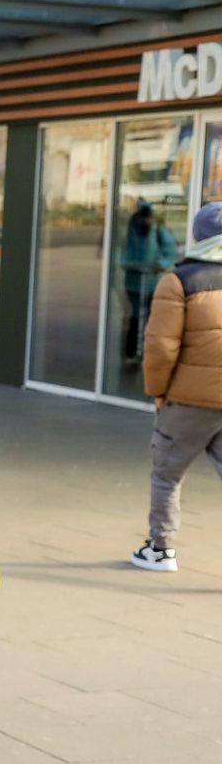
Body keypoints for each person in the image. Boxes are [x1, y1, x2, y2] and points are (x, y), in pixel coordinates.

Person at [133, 201, 222, 572]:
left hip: (188, 402)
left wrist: (157, 390)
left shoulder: (179, 280)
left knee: (167, 475)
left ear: (197, 235)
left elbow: (160, 346)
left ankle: (160, 549)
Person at [121, 201, 178, 367]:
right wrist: (126, 263)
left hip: (152, 282)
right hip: (133, 282)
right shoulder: (129, 230)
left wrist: (159, 265)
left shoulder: (159, 231)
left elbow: (169, 252)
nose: (146, 221)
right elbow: (119, 249)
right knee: (135, 317)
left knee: (151, 319)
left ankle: (147, 353)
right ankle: (132, 352)